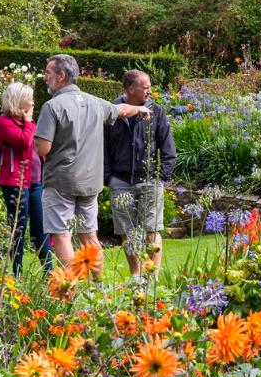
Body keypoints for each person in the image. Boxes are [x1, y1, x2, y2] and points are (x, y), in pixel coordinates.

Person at [34, 54, 149, 276]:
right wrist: (141, 109)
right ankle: (99, 287)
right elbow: (122, 110)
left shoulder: (52, 106)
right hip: (90, 182)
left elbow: (43, 149)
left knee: (61, 234)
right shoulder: (96, 102)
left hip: (61, 182)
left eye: (48, 73)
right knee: (88, 234)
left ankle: (69, 286)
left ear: (61, 75)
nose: (44, 77)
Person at [104, 69, 176, 276]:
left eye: (149, 87)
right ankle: (136, 276)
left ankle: (151, 277)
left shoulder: (157, 111)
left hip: (149, 180)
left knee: (152, 230)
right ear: (130, 89)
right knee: (127, 232)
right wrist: (108, 177)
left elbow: (168, 146)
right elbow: (103, 146)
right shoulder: (113, 111)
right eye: (145, 88)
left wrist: (162, 176)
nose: (149, 91)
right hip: (120, 181)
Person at [0, 81, 52, 274]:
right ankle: (16, 273)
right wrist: (28, 123)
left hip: (36, 182)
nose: (33, 102)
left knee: (41, 227)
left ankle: (49, 273)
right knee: (18, 229)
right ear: (19, 101)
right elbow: (22, 141)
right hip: (15, 183)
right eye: (30, 98)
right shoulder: (2, 122)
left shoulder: (30, 123)